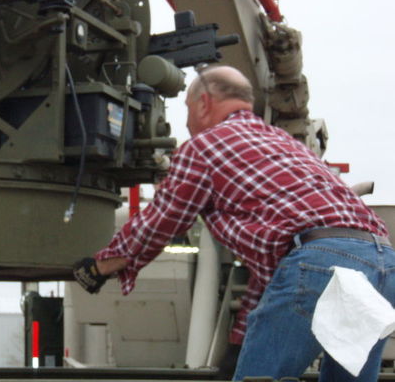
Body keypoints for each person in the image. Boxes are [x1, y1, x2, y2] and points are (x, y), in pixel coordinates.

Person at [72, 65, 395, 381]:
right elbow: (278, 270)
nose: (186, 120)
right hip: (382, 264)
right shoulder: (287, 145)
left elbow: (162, 221)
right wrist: (238, 343)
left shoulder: (205, 146)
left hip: (319, 260)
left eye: (186, 109)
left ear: (203, 103)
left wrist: (100, 267)